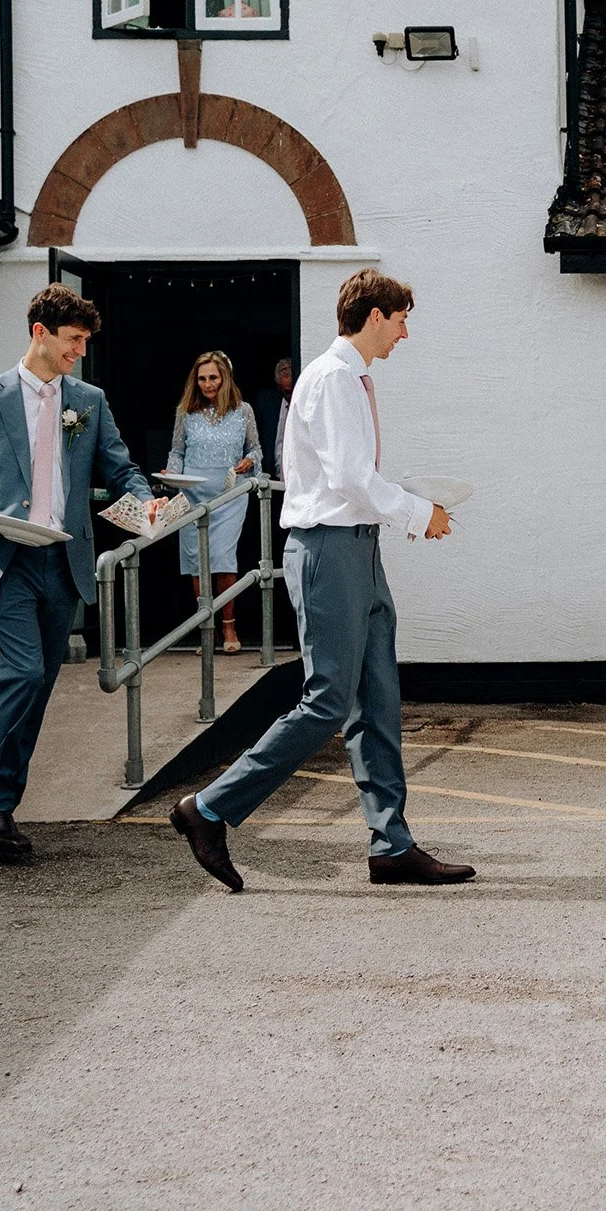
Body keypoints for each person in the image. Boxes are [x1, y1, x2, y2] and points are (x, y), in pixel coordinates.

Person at [168, 270, 459, 892]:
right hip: (328, 551)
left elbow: (348, 479)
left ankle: (392, 846)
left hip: (358, 548)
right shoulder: (331, 379)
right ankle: (209, 808)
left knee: (376, 697)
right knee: (327, 698)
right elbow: (351, 477)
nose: (406, 332)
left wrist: (410, 503)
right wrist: (417, 513)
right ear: (374, 315)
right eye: (402, 318)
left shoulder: (350, 378)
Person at [0, 284, 163, 857]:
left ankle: (1, 805)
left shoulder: (86, 400)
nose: (80, 352)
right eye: (73, 340)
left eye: (85, 341)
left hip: (63, 561)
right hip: (5, 557)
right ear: (40, 332)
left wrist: (146, 502)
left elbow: (121, 469)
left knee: (37, 684)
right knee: (24, 671)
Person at [168, 351, 262, 654]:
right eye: (203, 378)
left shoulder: (243, 410)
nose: (208, 384)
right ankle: (205, 629)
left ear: (225, 379)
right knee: (197, 561)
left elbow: (256, 449)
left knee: (222, 558)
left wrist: (249, 461)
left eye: (213, 377)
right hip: (192, 493)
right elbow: (177, 452)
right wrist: (171, 473)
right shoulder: (186, 411)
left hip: (228, 494)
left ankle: (229, 625)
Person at [255, 358, 293, 479]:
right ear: (278, 386)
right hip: (273, 481)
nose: (291, 396)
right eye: (287, 392)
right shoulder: (267, 403)